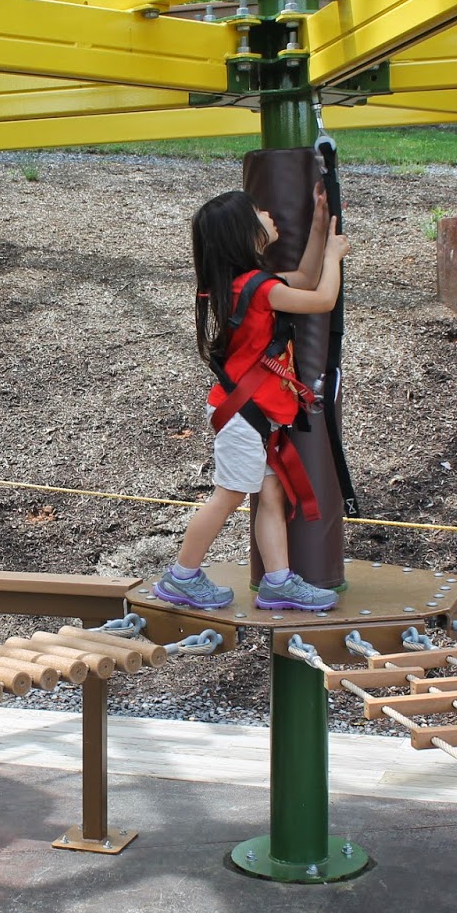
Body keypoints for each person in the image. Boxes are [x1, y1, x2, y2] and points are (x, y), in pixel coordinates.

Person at [153, 185, 349, 613]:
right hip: (245, 413)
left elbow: (305, 279)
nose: (267, 211)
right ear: (245, 232)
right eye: (258, 210)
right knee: (228, 494)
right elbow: (321, 296)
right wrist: (334, 256)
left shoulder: (248, 285)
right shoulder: (259, 290)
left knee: (271, 493)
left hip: (249, 413)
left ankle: (277, 581)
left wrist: (318, 228)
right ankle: (181, 576)